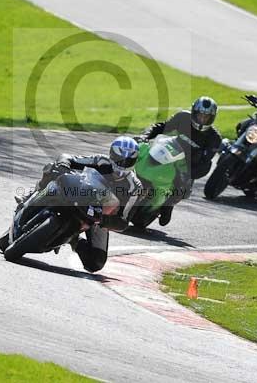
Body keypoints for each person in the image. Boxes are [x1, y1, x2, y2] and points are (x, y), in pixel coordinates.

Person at [13, 136, 142, 272]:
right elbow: (70, 158)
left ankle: (73, 239)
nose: (122, 164)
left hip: (99, 217)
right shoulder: (101, 161)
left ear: (135, 161)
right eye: (119, 159)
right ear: (111, 154)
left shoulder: (134, 187)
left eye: (128, 161)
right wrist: (64, 164)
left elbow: (124, 220)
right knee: (54, 169)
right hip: (79, 195)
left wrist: (105, 220)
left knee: (95, 263)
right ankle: (31, 195)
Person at [137, 96, 222, 226]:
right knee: (140, 154)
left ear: (212, 118)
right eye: (200, 116)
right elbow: (161, 127)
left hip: (187, 166)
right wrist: (144, 136)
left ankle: (168, 205)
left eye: (206, 117)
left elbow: (205, 162)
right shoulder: (182, 117)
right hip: (168, 151)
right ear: (194, 113)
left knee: (183, 187)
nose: (202, 119)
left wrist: (187, 173)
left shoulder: (214, 138)